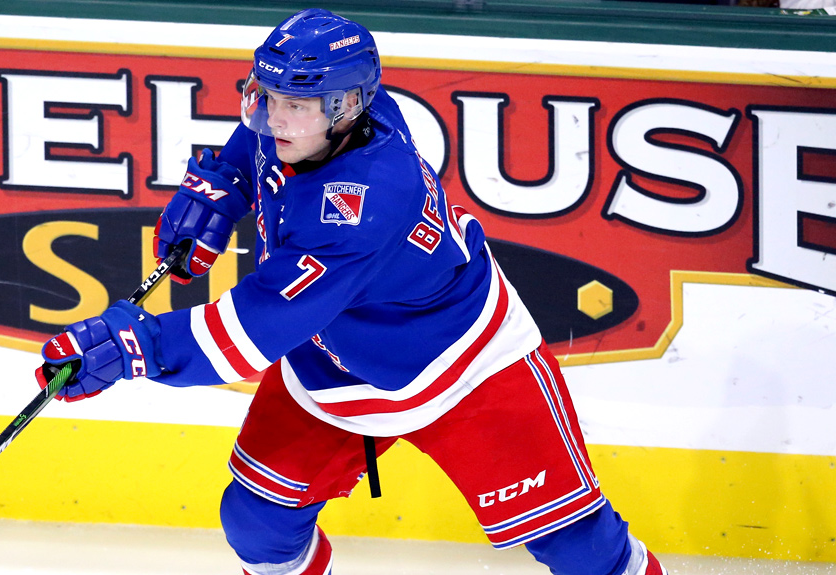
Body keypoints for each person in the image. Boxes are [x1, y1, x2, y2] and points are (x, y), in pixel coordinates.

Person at [38, 9, 669, 575]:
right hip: (336, 356)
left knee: (580, 547)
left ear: (346, 109)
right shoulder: (317, 118)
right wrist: (223, 186)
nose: (273, 118)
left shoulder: (362, 207)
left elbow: (252, 332)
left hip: (463, 365)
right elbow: (257, 141)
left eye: (296, 105)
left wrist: (132, 348)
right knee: (258, 524)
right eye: (266, 95)